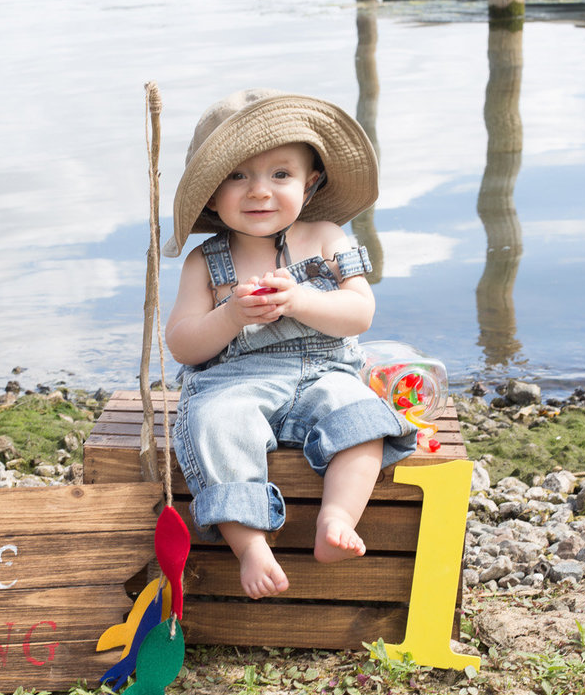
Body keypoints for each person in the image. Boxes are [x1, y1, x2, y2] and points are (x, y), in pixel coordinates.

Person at [162, 89, 416, 600]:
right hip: (235, 381)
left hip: (327, 373)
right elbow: (184, 346)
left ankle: (337, 518)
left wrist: (300, 300)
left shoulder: (326, 238)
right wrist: (230, 314)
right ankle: (250, 546)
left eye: (280, 174)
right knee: (212, 424)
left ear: (311, 180)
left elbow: (359, 313)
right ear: (212, 193)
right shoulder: (205, 262)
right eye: (238, 176)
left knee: (363, 417)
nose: (259, 191)